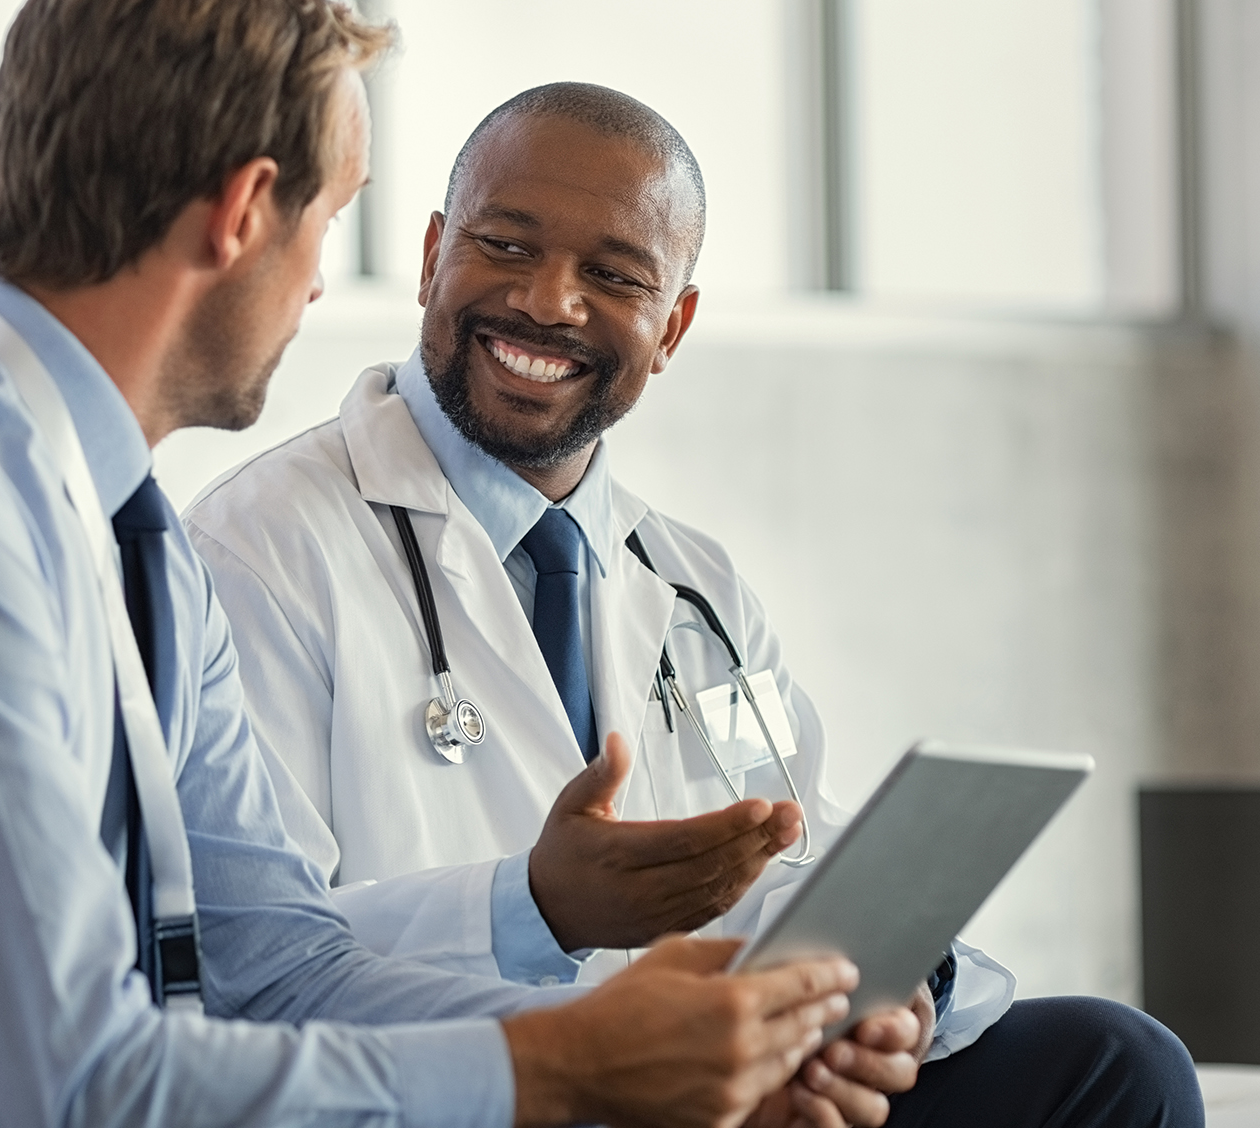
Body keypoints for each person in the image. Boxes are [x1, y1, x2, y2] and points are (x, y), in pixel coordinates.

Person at [0, 0, 873, 1128]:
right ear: (246, 210)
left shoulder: (132, 547)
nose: (315, 290)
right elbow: (86, 1085)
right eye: (330, 220)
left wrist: (644, 1036)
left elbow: (273, 971)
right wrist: (564, 1074)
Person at [182, 82, 1206, 1127]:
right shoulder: (258, 551)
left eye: (612, 275)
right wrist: (533, 909)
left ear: (670, 326)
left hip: (713, 1087)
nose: (546, 302)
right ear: (433, 254)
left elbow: (790, 854)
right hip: (481, 1094)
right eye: (507, 246)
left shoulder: (691, 591)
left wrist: (896, 993)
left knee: (1113, 1064)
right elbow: (249, 967)